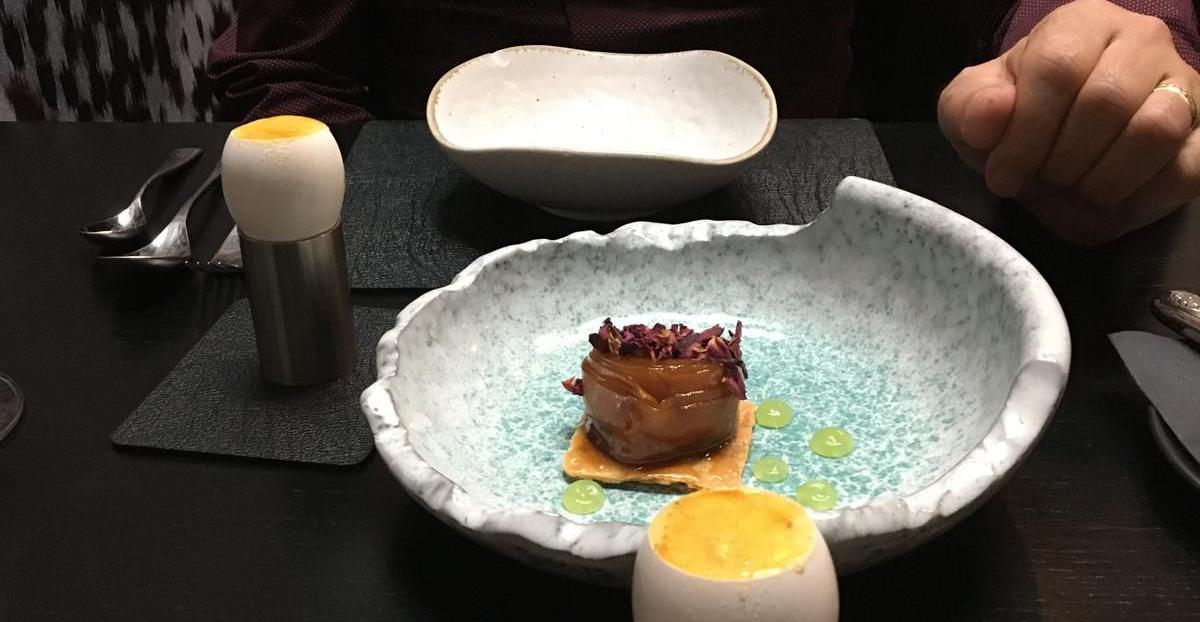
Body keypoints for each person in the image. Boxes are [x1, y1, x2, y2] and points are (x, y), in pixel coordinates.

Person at [211, 0, 1200, 245]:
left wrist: (1093, 72)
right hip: (426, 242)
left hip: (811, 240)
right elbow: (285, 75)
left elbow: (1095, 24)